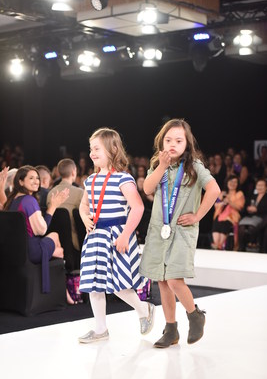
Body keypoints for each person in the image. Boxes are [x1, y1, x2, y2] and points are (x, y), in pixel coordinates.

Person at [139, 118, 220, 348]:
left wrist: (197, 216)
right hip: (158, 230)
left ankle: (195, 315)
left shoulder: (194, 165)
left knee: (175, 279)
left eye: (178, 140)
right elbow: (147, 189)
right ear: (161, 142)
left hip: (183, 231)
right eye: (168, 140)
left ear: (187, 143)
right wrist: (162, 167)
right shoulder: (158, 164)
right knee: (162, 282)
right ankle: (171, 329)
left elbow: (214, 190)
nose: (172, 144)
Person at [78, 127, 155, 344]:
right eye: (90, 148)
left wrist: (125, 236)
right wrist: (85, 218)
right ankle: (100, 329)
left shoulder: (123, 179)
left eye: (96, 148)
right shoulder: (90, 180)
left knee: (119, 284)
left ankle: (143, 310)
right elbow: (84, 205)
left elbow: (138, 208)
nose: (92, 153)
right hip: (96, 236)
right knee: (95, 283)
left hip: (118, 235)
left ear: (112, 149)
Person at [3, 165, 75, 303]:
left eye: (37, 178)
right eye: (31, 178)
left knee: (59, 251)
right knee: (55, 237)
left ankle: (64, 290)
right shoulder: (29, 201)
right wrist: (53, 207)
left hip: (16, 252)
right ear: (21, 181)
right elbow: (42, 230)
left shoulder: (12, 200)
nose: (36, 181)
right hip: (32, 252)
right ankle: (64, 290)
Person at [47, 158, 84, 252]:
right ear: (73, 172)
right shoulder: (80, 193)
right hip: (76, 242)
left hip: (55, 242)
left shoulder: (50, 193)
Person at [212, 174, 245, 250]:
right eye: (231, 181)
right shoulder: (222, 193)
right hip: (220, 214)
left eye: (235, 182)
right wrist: (221, 201)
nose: (232, 184)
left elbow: (239, 207)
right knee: (217, 222)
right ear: (227, 182)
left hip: (231, 216)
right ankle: (216, 243)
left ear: (237, 184)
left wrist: (229, 201)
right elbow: (216, 205)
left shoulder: (239, 194)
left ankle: (220, 244)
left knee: (225, 222)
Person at [238, 179, 267, 251]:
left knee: (252, 228)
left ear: (266, 187)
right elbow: (246, 205)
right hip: (251, 216)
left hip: (262, 216)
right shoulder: (252, 195)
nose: (259, 187)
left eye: (262, 185)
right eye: (258, 185)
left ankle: (253, 245)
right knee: (241, 227)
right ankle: (241, 247)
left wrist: (257, 209)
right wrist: (248, 208)